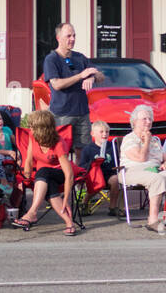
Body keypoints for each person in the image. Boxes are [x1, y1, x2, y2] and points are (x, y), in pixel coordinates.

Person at [41, 22, 104, 155]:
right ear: (58, 38)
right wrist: (81, 75)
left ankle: (81, 175)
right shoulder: (51, 59)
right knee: (60, 151)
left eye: (74, 36)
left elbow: (100, 75)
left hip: (82, 113)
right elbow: (56, 84)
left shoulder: (79, 57)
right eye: (68, 36)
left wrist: (91, 77)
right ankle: (64, 176)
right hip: (61, 114)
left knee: (84, 151)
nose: (72, 39)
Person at [12, 109, 77, 235]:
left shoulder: (58, 143)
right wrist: (25, 179)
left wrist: (67, 199)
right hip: (44, 178)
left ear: (42, 128)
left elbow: (69, 175)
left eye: (32, 126)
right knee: (49, 185)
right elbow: (29, 161)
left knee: (43, 172)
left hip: (60, 174)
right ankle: (69, 223)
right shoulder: (33, 136)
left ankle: (32, 213)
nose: (30, 129)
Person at [121, 103, 166, 234]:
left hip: (154, 170)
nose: (148, 122)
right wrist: (146, 141)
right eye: (144, 119)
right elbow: (141, 158)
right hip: (132, 171)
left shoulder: (155, 140)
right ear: (135, 121)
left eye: (150, 119)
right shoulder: (129, 139)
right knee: (157, 178)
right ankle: (152, 220)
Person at [77, 120, 121, 216]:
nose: (105, 134)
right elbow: (82, 166)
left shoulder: (112, 146)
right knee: (98, 182)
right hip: (94, 175)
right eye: (101, 132)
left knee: (115, 180)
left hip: (110, 173)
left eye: (107, 132)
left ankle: (112, 207)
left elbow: (118, 160)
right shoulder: (88, 149)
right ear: (93, 134)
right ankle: (84, 203)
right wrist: (93, 162)